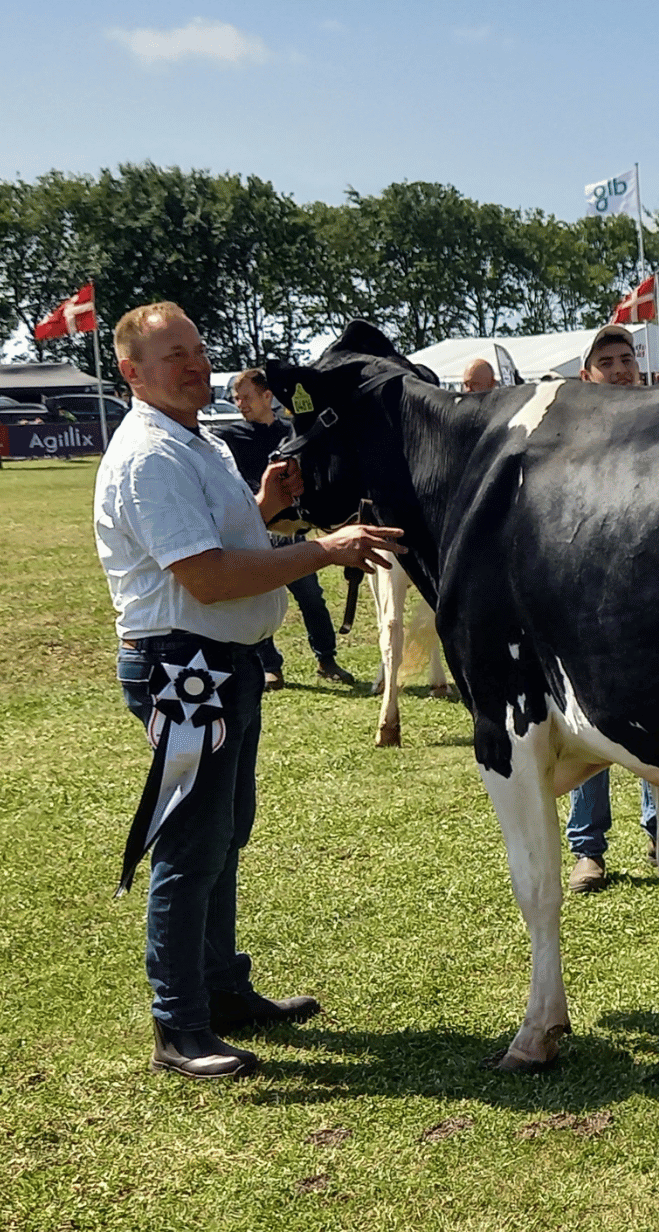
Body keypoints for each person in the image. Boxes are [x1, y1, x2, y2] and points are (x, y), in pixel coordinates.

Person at [97, 302, 404, 1078]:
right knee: (194, 844)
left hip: (213, 663)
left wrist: (264, 507)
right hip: (184, 666)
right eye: (174, 357)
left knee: (223, 833)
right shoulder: (150, 455)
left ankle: (221, 992)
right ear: (132, 373)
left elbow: (220, 545)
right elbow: (203, 577)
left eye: (197, 350)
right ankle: (180, 1024)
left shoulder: (191, 441)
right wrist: (320, 549)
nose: (195, 365)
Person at [562, 324, 659, 893]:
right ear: (587, 375)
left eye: (627, 358)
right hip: (588, 601)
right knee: (590, 727)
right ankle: (588, 849)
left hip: (652, 597)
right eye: (608, 361)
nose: (621, 368)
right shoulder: (573, 443)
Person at [213, 368, 358, 688]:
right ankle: (271, 667)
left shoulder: (293, 432)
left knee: (312, 599)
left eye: (247, 397)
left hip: (292, 532)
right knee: (259, 600)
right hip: (257, 532)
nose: (240, 404)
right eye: (237, 398)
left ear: (268, 397)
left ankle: (326, 660)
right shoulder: (229, 438)